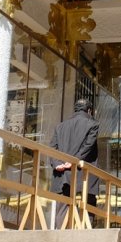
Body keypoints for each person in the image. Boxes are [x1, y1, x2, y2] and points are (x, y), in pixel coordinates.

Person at [50, 98, 99, 229]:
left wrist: (57, 164)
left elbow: (52, 149)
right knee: (87, 206)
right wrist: (74, 161)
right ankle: (85, 239)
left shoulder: (60, 126)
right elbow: (87, 146)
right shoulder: (93, 125)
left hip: (62, 173)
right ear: (89, 110)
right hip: (83, 174)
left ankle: (61, 239)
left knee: (62, 208)